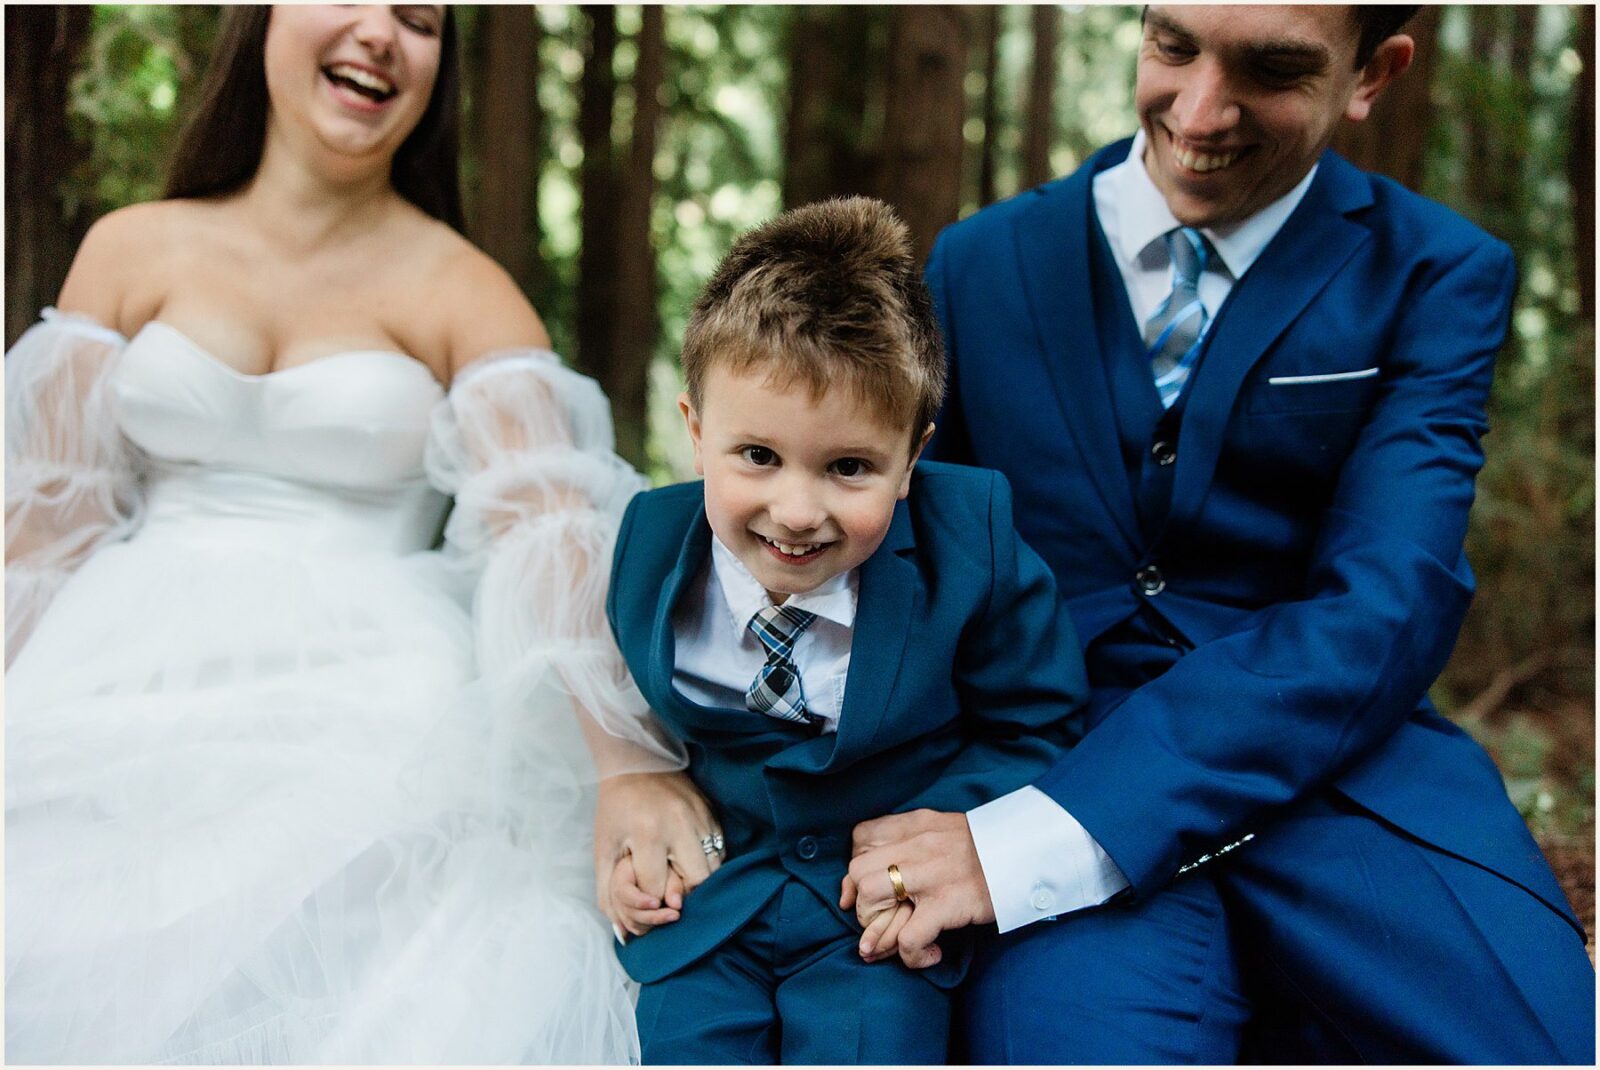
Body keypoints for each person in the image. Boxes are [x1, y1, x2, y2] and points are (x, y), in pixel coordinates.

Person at [840, 5, 1596, 1063]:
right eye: (1172, 46)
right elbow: (892, 551)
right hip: (1044, 753)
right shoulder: (979, 263)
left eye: (1273, 67)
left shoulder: (1434, 271)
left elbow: (1387, 600)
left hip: (1342, 770)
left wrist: (1043, 840)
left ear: (1373, 72)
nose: (1198, 112)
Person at [5, 5, 702, 1062]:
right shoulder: (129, 247)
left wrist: (623, 762)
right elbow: (46, 528)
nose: (382, 33)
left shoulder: (466, 290)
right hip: (110, 669)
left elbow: (547, 537)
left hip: (368, 693)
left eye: (420, 20)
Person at [602, 197, 1089, 1063]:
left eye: (850, 468)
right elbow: (628, 710)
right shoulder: (646, 546)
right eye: (757, 456)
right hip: (714, 909)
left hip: (874, 928)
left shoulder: (969, 547)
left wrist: (949, 830)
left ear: (912, 459)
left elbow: (1040, 723)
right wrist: (640, 827)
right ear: (695, 430)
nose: (797, 512)